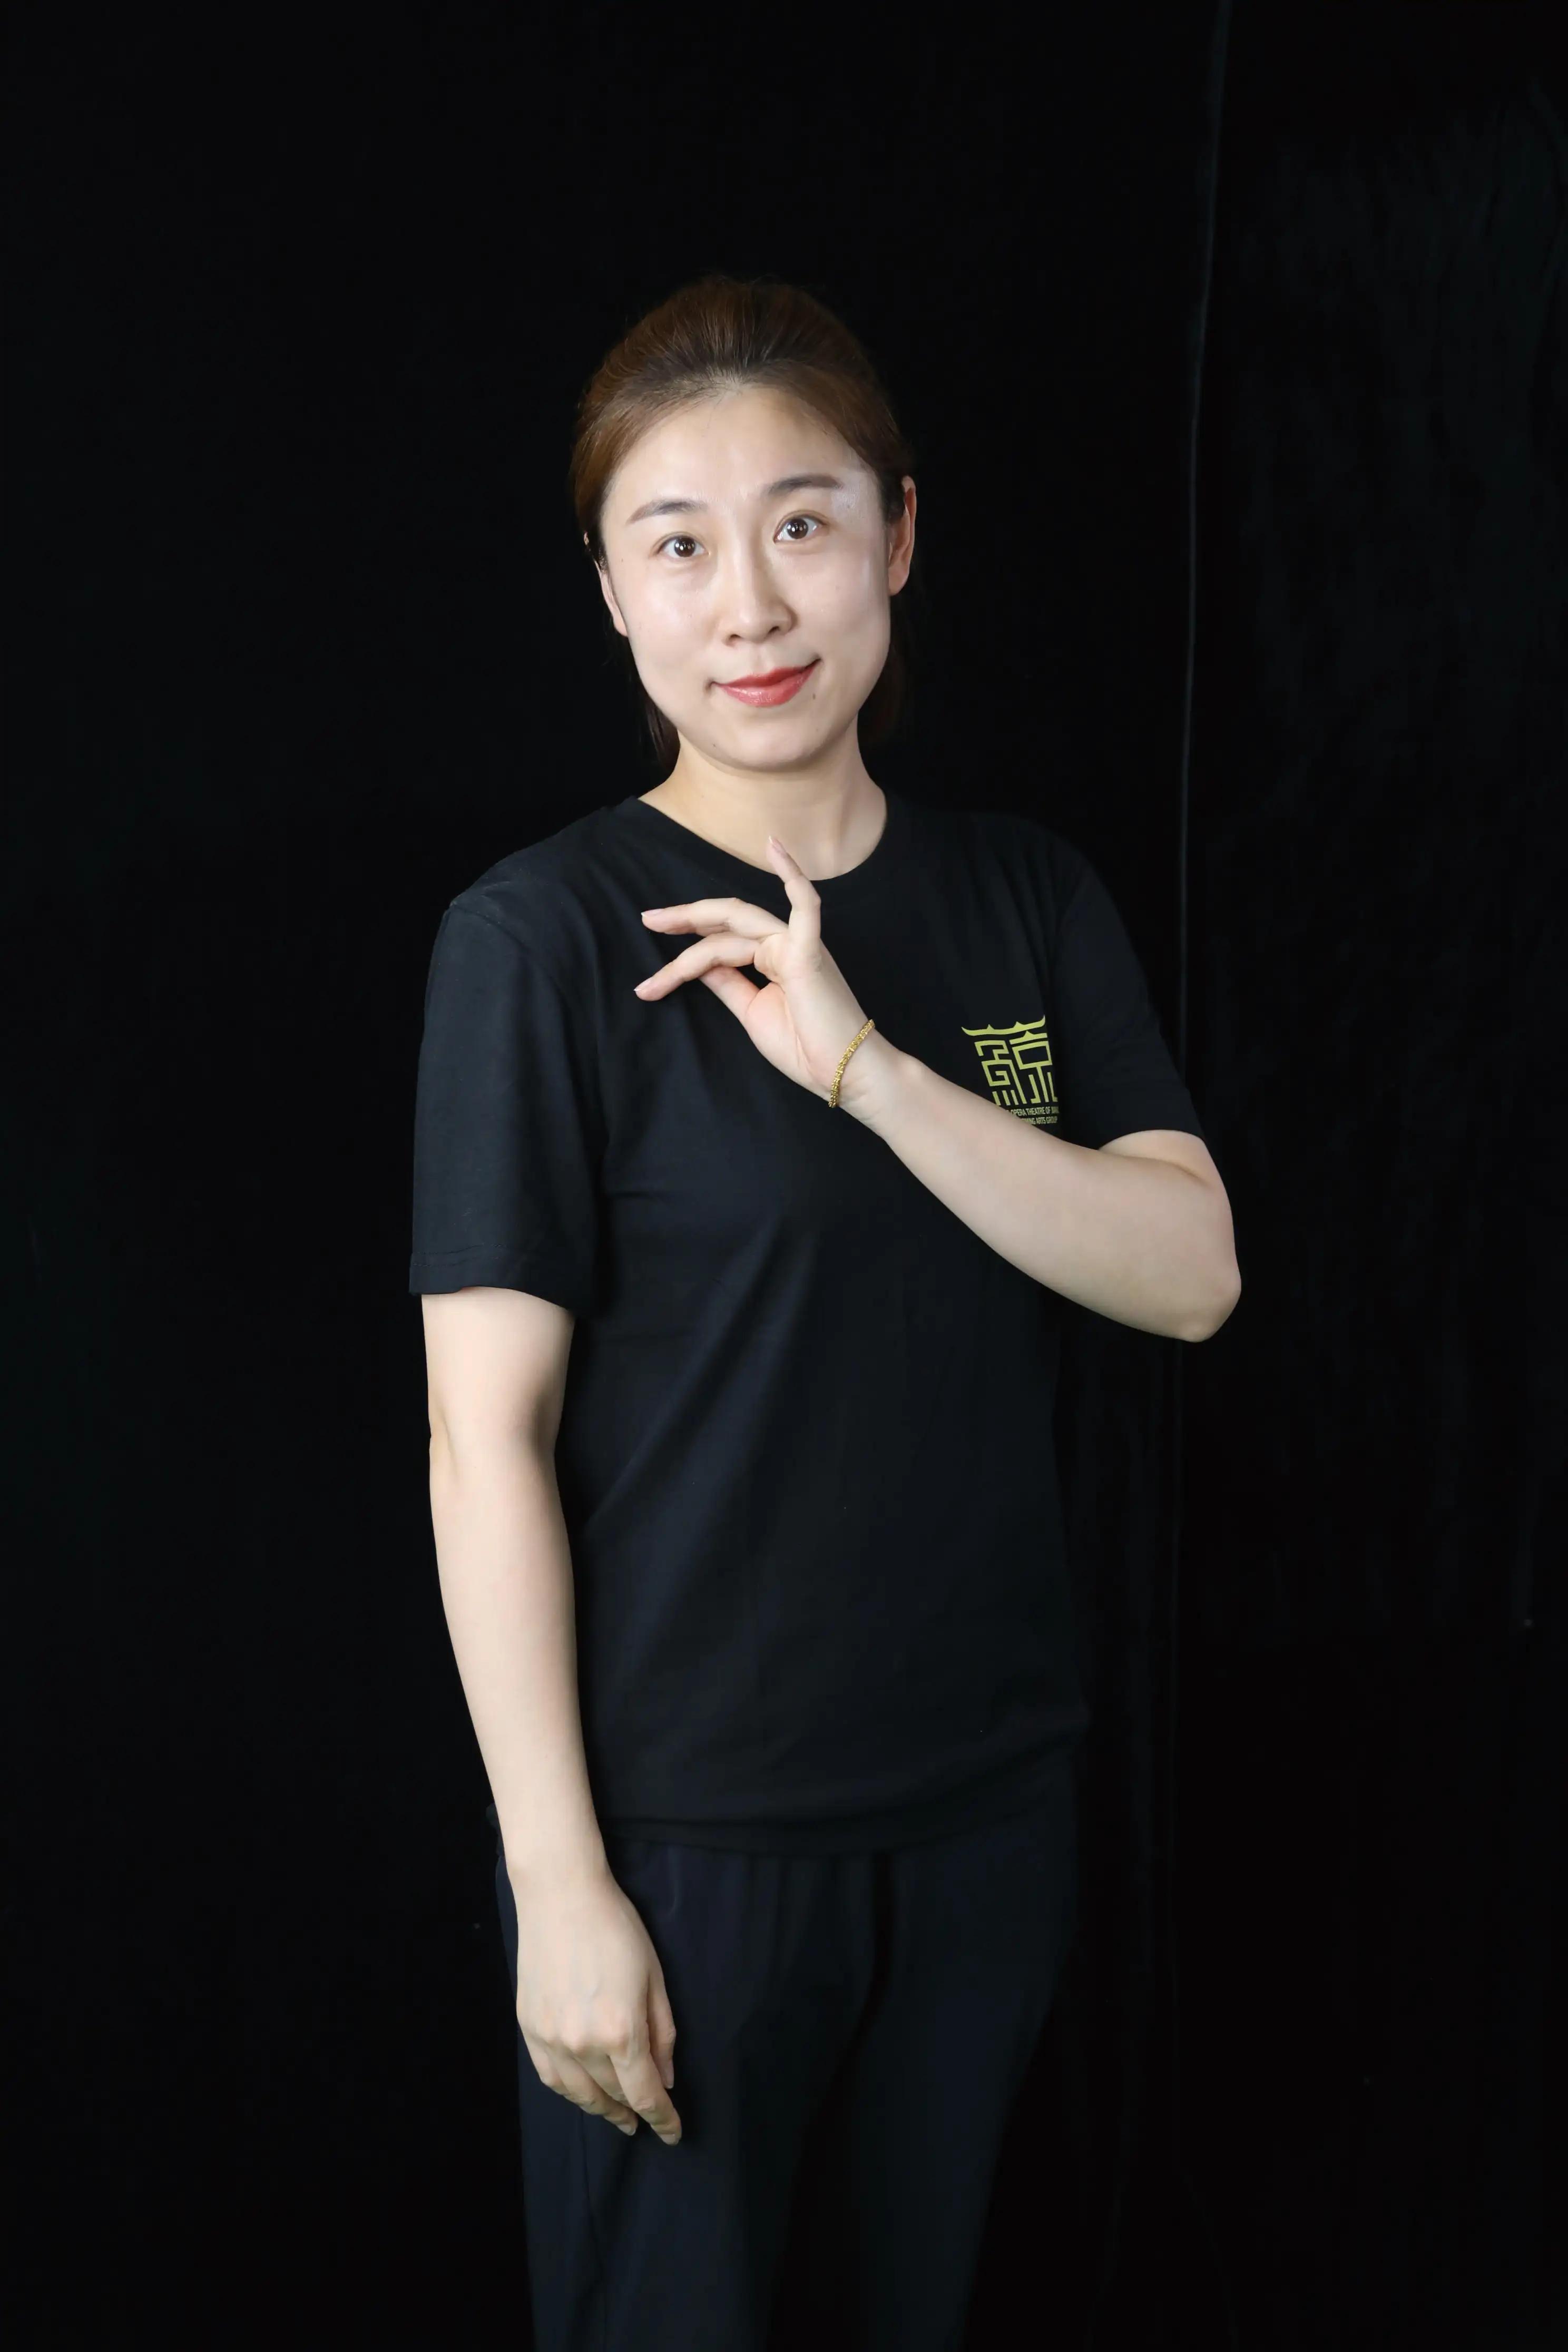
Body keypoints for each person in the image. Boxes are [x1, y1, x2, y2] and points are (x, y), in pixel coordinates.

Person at [409, 272, 1240, 2352]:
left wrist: (868, 1069)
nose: (753, 606)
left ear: (899, 536)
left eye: (803, 522)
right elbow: (483, 1442)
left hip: (985, 1826)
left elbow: (1189, 1275)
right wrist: (560, 1885)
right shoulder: (541, 940)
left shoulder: (1025, 902)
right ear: (612, 591)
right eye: (679, 545)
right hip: (692, 1852)